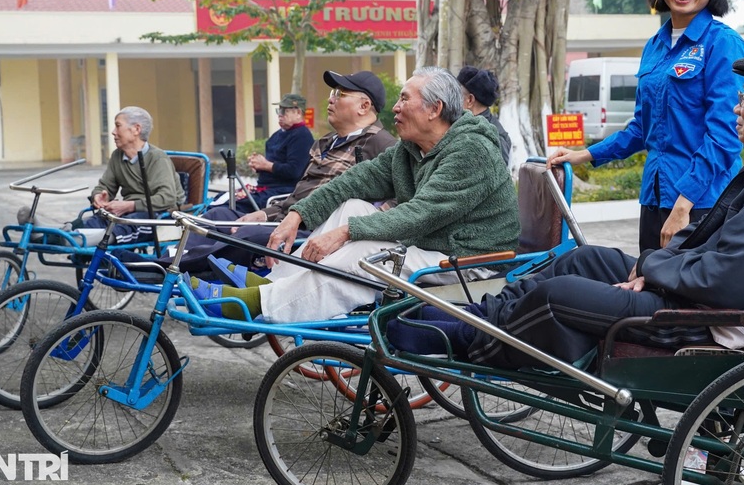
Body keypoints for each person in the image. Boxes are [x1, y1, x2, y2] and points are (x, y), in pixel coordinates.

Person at [389, 50, 744, 370]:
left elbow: (726, 280)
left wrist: (653, 270)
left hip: (718, 323)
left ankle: (472, 340)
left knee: (563, 294)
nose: (738, 107)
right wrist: (653, 266)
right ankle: (484, 315)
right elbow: (713, 245)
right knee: (581, 259)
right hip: (701, 294)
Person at [190, 66, 520, 323]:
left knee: (365, 253)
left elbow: (423, 212)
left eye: (405, 99)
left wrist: (345, 233)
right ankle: (272, 286)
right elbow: (357, 180)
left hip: (472, 260)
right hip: (433, 243)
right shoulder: (411, 148)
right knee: (353, 205)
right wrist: (297, 215)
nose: (395, 107)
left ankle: (256, 304)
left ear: (435, 109)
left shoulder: (471, 148)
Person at [550, 0, 744, 252]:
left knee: (685, 298)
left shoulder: (722, 43)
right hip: (655, 196)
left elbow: (726, 135)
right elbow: (642, 128)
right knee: (649, 291)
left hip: (702, 204)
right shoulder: (655, 46)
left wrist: (684, 204)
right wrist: (585, 155)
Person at [142, 70, 396, 274]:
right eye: (332, 92)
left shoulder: (381, 144)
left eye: (339, 94)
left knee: (248, 235)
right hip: (288, 215)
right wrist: (264, 212)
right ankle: (170, 259)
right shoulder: (328, 141)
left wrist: (351, 229)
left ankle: (169, 268)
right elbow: (299, 195)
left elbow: (398, 200)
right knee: (219, 214)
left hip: (316, 228)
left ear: (364, 106)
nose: (330, 99)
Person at [78, 106, 184, 244]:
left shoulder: (157, 158)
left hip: (159, 215)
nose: (113, 132)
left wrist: (128, 206)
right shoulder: (117, 156)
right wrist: (99, 196)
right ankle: (61, 235)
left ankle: (97, 243)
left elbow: (168, 198)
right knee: (92, 222)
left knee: (124, 227)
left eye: (118, 126)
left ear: (136, 129)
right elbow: (104, 186)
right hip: (128, 213)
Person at [231, 93, 314, 213]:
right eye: (279, 110)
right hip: (264, 189)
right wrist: (258, 165)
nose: (280, 115)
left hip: (280, 193)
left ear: (298, 113)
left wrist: (266, 165)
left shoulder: (302, 136)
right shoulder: (277, 135)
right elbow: (273, 162)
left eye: (285, 111)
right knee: (222, 199)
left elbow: (294, 171)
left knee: (231, 205)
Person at [457, 65, 511, 165]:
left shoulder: (495, 138)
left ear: (470, 100)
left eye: (456, 95)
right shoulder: (460, 123)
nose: (453, 100)